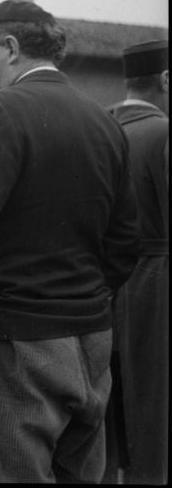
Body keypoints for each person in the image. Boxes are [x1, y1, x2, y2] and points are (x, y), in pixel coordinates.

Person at [0, 0, 140, 484]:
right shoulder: (104, 121)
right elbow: (126, 241)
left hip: (11, 343)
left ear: (12, 48)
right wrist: (81, 296)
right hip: (91, 341)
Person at [104, 40, 169, 485]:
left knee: (112, 410)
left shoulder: (97, 130)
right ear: (166, 80)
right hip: (159, 284)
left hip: (103, 285)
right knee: (157, 408)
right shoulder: (163, 133)